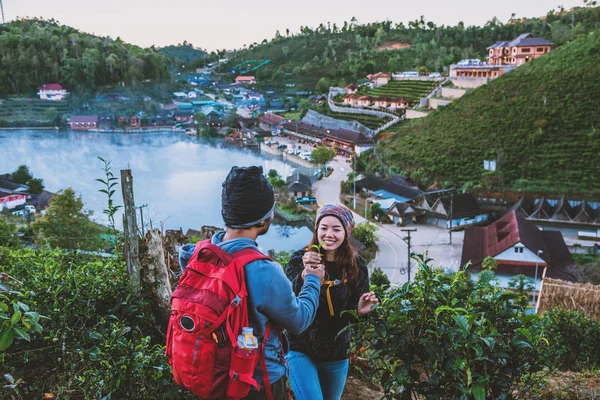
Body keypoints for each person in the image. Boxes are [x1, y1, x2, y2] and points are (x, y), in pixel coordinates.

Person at [178, 166, 325, 400]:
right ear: (265, 218)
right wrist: (312, 281)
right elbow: (298, 321)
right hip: (257, 383)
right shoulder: (264, 271)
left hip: (211, 375)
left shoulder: (194, 255)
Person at [285, 203, 379, 400]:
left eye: (336, 229)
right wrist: (304, 274)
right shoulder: (299, 259)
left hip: (336, 353)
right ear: (316, 230)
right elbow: (288, 302)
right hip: (300, 348)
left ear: (346, 233)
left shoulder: (357, 267)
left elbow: (351, 314)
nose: (329, 234)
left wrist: (360, 312)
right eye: (324, 228)